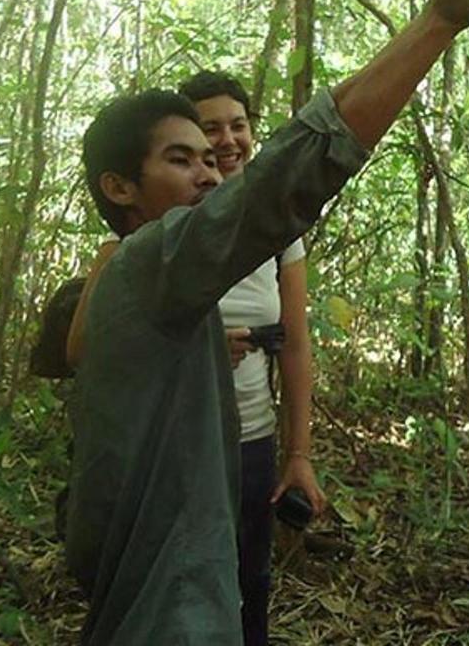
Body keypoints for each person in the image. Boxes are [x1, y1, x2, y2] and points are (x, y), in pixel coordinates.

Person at [64, 0, 469, 645]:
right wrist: (437, 21)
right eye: (181, 158)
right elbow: (284, 181)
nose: (211, 171)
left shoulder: (151, 285)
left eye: (211, 158)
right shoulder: (143, 266)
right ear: (120, 188)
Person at [177, 69, 326, 646]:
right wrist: (199, 347)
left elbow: (295, 340)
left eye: (238, 125)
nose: (228, 139)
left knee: (250, 582)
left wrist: (299, 453)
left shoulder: (276, 226)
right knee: (180, 580)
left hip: (251, 438)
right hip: (177, 438)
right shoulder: (167, 220)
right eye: (210, 128)